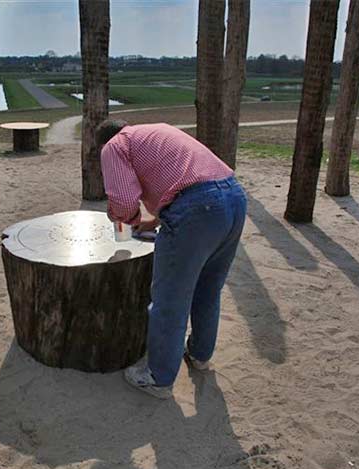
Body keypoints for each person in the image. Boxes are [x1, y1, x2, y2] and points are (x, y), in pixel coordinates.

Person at [97, 119, 248, 399]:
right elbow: (188, 181)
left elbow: (123, 201)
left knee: (169, 300)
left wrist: (126, 220)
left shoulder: (113, 146)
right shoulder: (154, 131)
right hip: (234, 199)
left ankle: (159, 378)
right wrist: (154, 221)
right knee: (208, 289)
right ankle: (200, 356)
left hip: (197, 210)